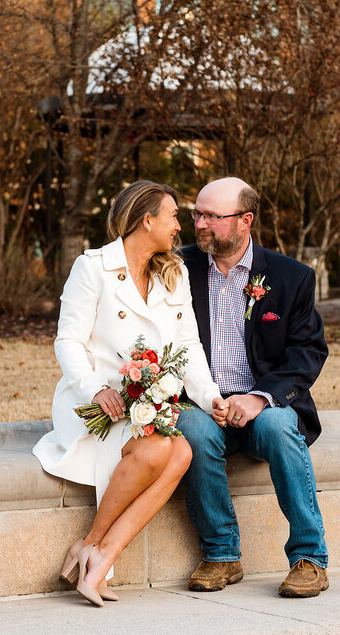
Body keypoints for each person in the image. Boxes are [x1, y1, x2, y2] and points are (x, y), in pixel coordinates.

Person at [33, 180, 222, 607]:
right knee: (160, 452)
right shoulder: (92, 267)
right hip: (92, 402)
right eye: (173, 216)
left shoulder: (174, 274)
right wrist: (95, 389)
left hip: (143, 404)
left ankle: (97, 553)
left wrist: (210, 398)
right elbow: (68, 342)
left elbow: (187, 346)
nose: (179, 227)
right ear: (147, 219)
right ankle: (92, 549)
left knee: (183, 453)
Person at [176, 177, 331, 598]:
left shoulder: (291, 278)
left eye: (211, 215)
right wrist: (205, 399)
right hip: (200, 403)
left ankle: (309, 559)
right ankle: (222, 554)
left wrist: (259, 397)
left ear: (245, 221)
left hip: (263, 406)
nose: (199, 223)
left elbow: (307, 353)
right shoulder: (177, 269)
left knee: (282, 427)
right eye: (197, 213)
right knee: (193, 430)